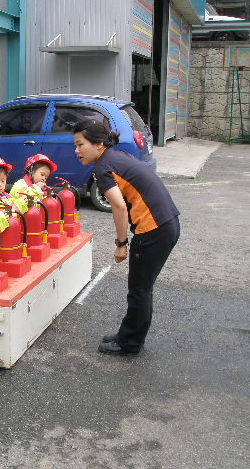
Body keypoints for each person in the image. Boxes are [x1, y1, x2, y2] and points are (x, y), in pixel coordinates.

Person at [73, 120, 180, 356]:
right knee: (141, 288)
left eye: (80, 144)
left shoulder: (103, 168)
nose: (77, 150)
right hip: (167, 223)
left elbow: (119, 207)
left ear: (98, 144)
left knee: (139, 290)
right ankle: (127, 335)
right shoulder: (115, 157)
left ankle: (129, 343)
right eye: (76, 145)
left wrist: (121, 244)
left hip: (153, 229)